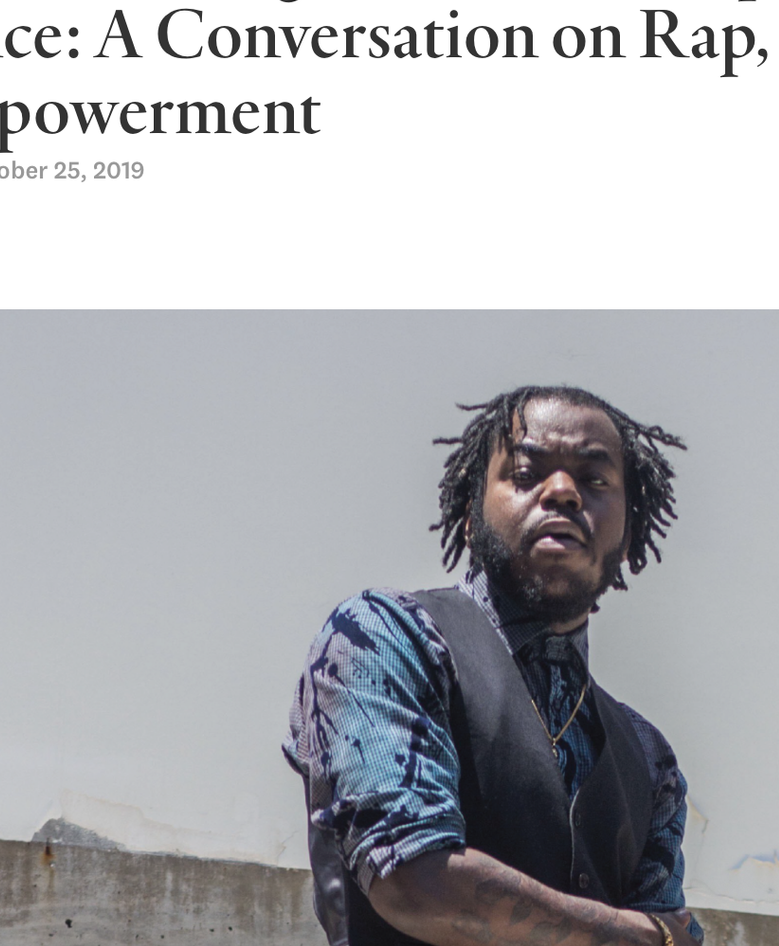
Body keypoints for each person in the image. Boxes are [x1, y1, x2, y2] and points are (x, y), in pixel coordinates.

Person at [284, 386, 705, 946]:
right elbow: (414, 879)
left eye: (594, 479)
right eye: (527, 474)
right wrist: (630, 936)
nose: (563, 493)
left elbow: (667, 931)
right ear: (468, 515)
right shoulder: (385, 636)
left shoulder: (650, 759)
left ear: (628, 534)